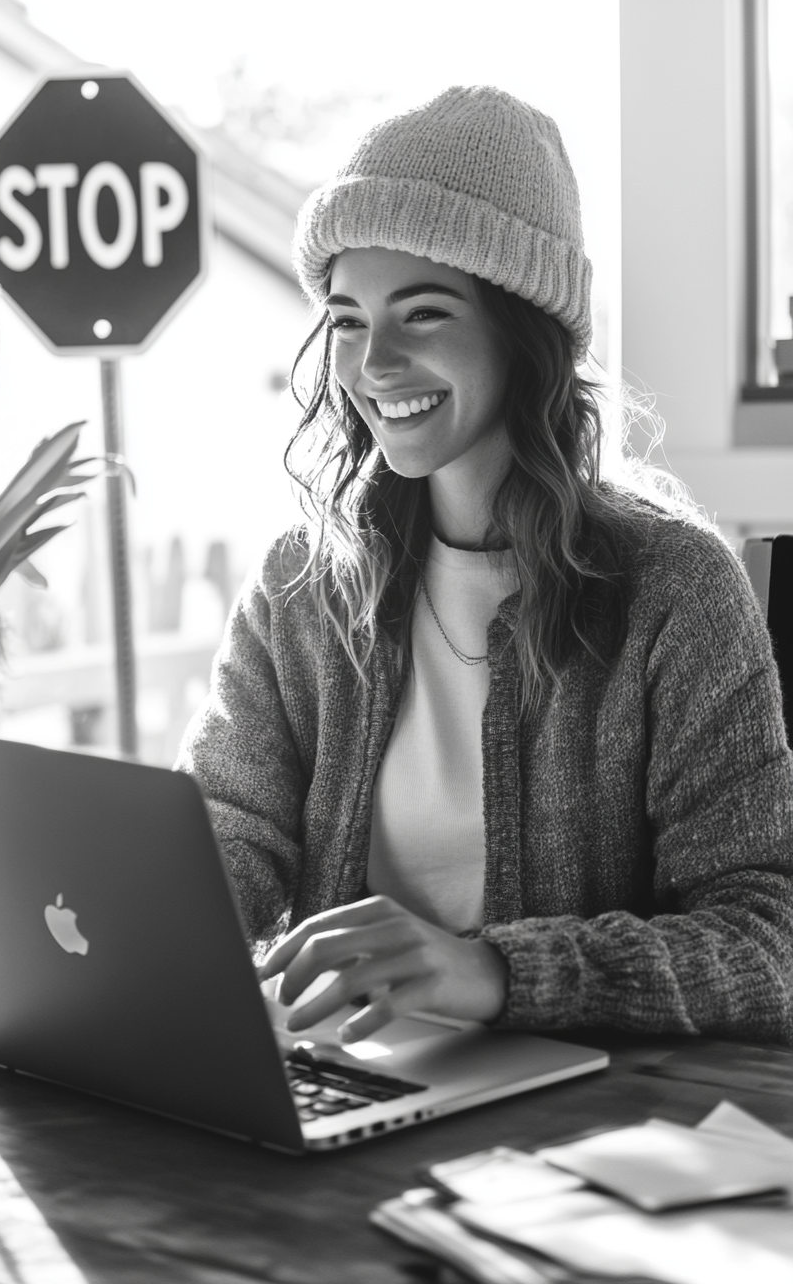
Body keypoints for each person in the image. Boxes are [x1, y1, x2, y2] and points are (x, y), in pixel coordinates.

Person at [178, 85, 793, 1048]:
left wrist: (498, 970)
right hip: (350, 1082)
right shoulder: (302, 582)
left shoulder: (676, 589)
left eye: (422, 315)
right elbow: (230, 829)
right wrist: (154, 933)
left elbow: (770, 935)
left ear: (523, 333)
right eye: (346, 318)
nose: (374, 362)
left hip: (576, 1122)